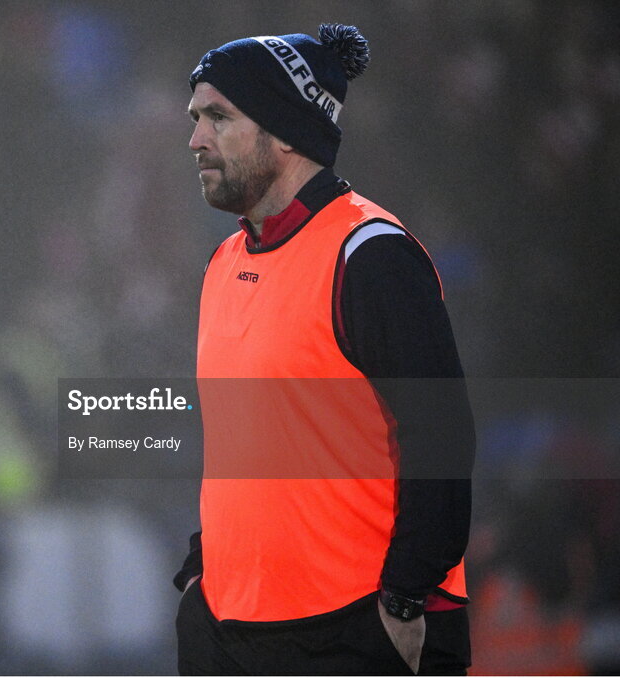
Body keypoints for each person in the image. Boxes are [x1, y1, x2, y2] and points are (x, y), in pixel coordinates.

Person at [174, 24, 475, 675]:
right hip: (236, 629)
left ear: (286, 132)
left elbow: (443, 441)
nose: (195, 139)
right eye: (196, 118)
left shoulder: (370, 255)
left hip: (357, 631)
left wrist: (403, 602)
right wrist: (205, 570)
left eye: (219, 118)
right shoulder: (224, 260)